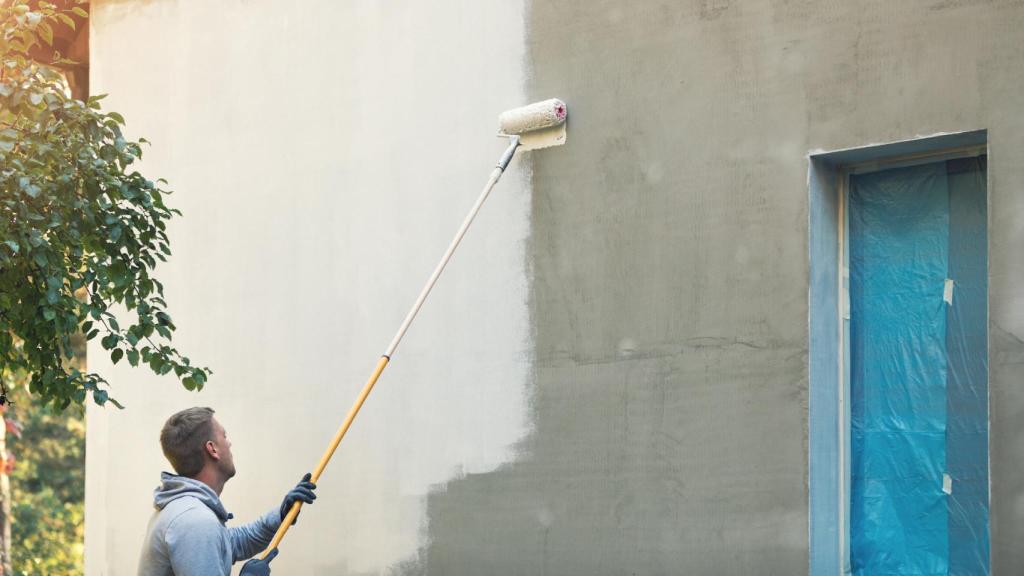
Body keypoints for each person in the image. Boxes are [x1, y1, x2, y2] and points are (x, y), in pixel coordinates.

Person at [138, 407, 317, 576]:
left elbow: (233, 543)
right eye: (224, 436)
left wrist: (281, 515)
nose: (229, 443)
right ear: (212, 449)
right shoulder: (194, 521)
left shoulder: (187, 512)